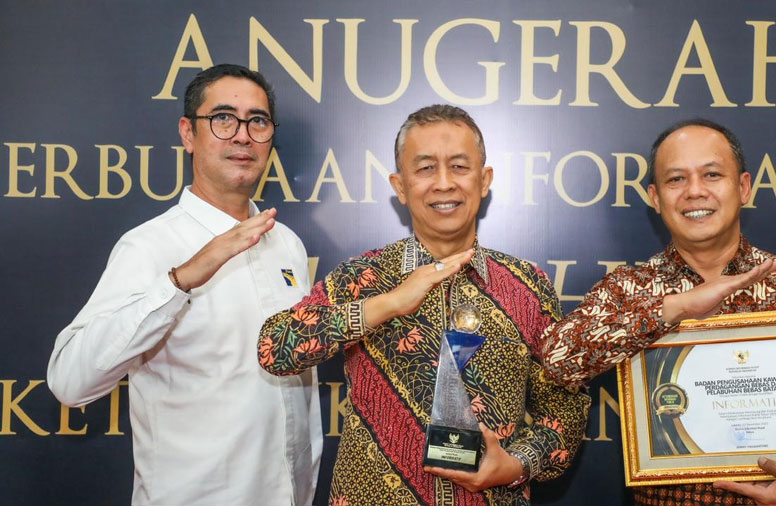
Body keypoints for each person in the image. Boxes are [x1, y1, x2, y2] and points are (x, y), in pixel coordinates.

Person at [541, 118, 776, 506]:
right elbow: (558, 361)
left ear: (743, 187)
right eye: (676, 179)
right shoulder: (628, 290)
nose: (695, 191)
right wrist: (672, 308)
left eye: (711, 174)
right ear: (655, 198)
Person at [258, 104, 590, 505]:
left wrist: (516, 464)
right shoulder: (363, 278)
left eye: (459, 167)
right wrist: (389, 303)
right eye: (426, 168)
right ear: (400, 186)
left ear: (484, 180)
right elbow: (275, 348)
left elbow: (566, 407)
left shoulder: (528, 286)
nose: (444, 183)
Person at [47, 64, 322, 506]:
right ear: (188, 134)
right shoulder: (150, 246)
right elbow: (69, 381)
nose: (242, 136)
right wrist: (179, 281)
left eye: (257, 121)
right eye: (223, 118)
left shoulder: (286, 243)